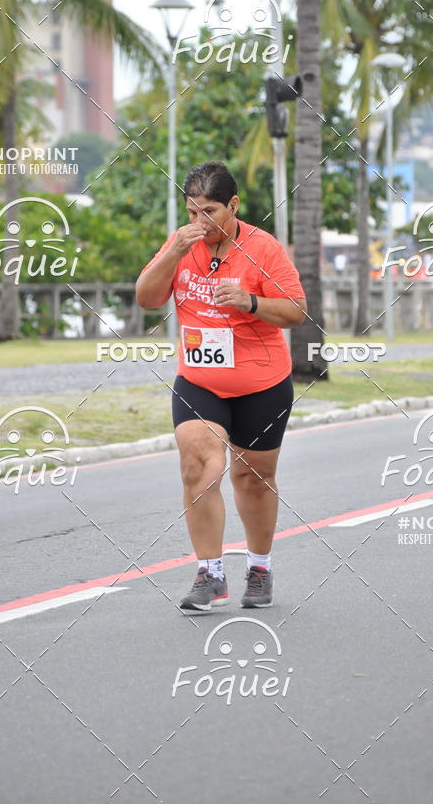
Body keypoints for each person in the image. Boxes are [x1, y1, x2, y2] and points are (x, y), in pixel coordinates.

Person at [136, 161, 307, 614]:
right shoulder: (180, 244)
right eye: (192, 213)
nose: (199, 223)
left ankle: (260, 567)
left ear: (233, 206)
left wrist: (250, 302)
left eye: (209, 212)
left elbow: (295, 311)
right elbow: (147, 297)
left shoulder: (263, 249)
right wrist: (174, 252)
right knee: (198, 466)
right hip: (199, 381)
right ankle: (210, 573)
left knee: (252, 479)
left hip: (262, 384)